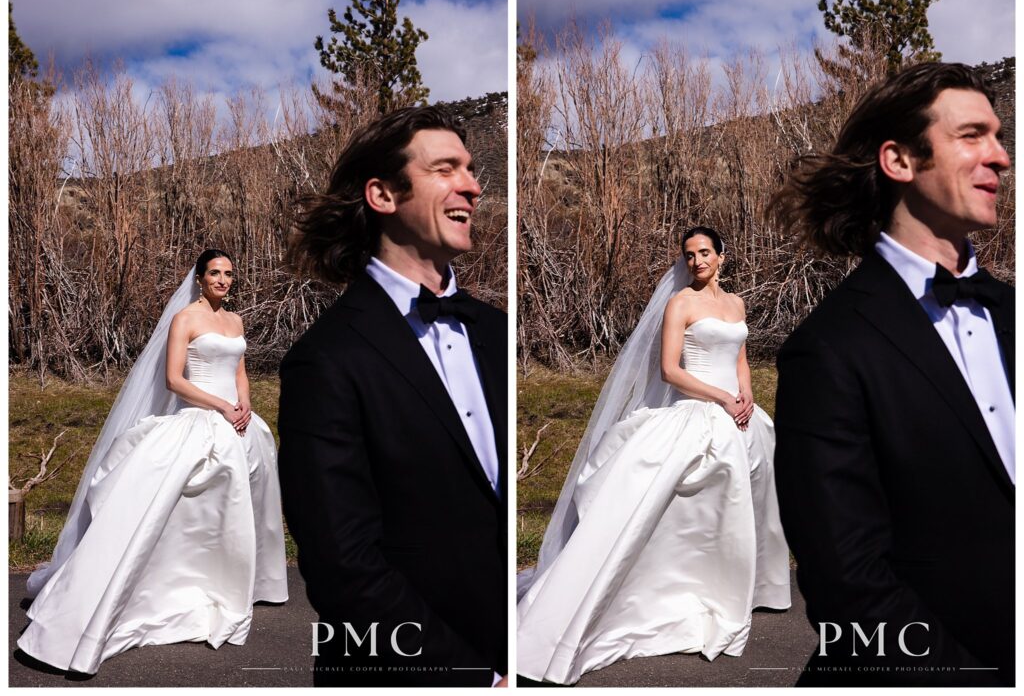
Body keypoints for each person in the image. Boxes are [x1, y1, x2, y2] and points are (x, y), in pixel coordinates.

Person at [771, 62, 1014, 686]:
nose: (1002, 157)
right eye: (973, 136)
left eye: (999, 135)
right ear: (900, 161)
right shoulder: (826, 350)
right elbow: (848, 587)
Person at [277, 106, 507, 687]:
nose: (474, 186)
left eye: (472, 170)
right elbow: (342, 566)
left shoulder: (499, 332)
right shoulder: (324, 358)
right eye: (446, 169)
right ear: (383, 195)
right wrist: (471, 676)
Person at [517, 227, 791, 685]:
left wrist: (745, 395)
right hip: (698, 410)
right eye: (689, 254)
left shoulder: (736, 303)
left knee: (753, 496)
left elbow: (740, 356)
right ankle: (675, 592)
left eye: (705, 252)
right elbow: (670, 370)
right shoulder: (680, 303)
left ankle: (745, 584)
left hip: (741, 414)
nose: (697, 260)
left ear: (721, 256)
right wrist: (721, 399)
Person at [18, 249, 288, 675]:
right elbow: (174, 380)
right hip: (199, 415)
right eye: (215, 273)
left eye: (229, 274)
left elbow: (239, 369)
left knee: (244, 494)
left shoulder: (234, 321)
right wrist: (221, 406)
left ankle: (234, 579)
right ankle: (167, 587)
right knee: (178, 501)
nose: (223, 280)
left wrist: (245, 407)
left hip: (237, 421)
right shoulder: (186, 319)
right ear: (200, 279)